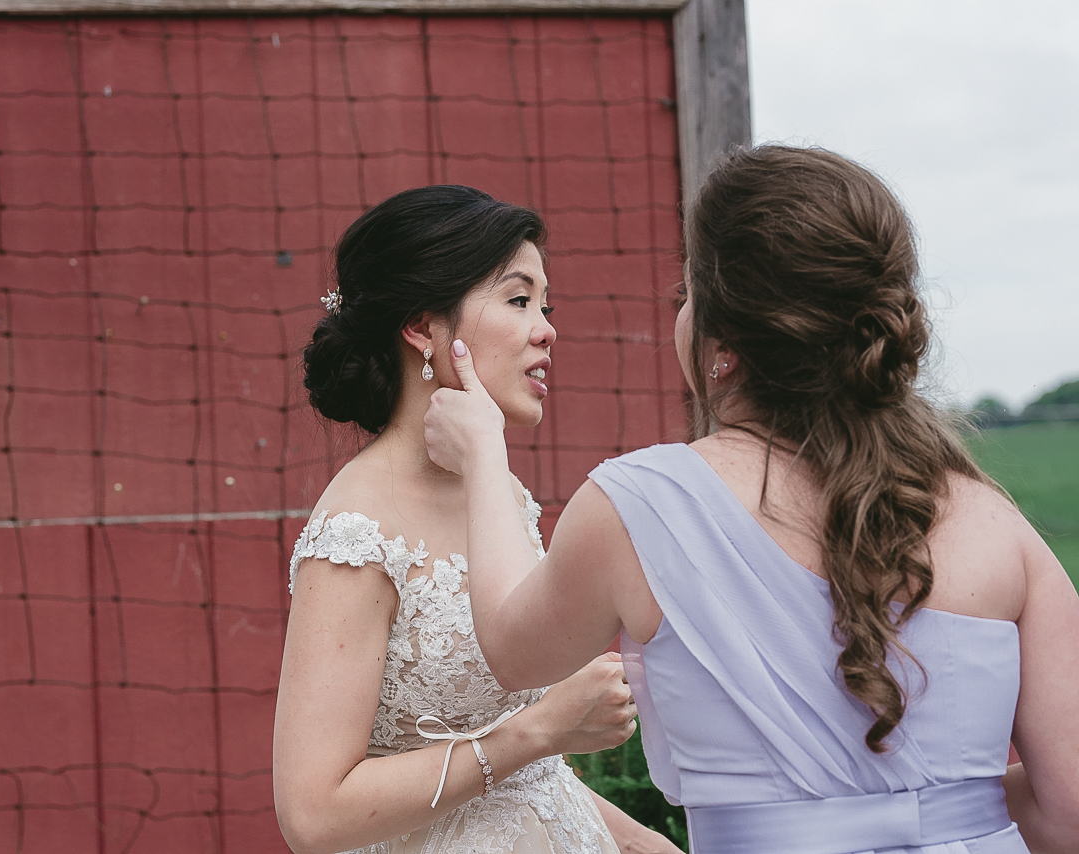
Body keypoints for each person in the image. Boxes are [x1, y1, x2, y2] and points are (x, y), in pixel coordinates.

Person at [423, 146, 1079, 854]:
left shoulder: (641, 504)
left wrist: (483, 454)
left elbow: (514, 653)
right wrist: (945, 811)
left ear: (723, 341)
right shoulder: (995, 523)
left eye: (687, 291)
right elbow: (1066, 812)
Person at [272, 185, 680, 854]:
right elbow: (313, 814)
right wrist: (538, 731)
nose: (546, 329)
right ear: (421, 327)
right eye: (519, 300)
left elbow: (527, 781)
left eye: (545, 306)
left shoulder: (502, 495)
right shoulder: (355, 532)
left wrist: (642, 844)